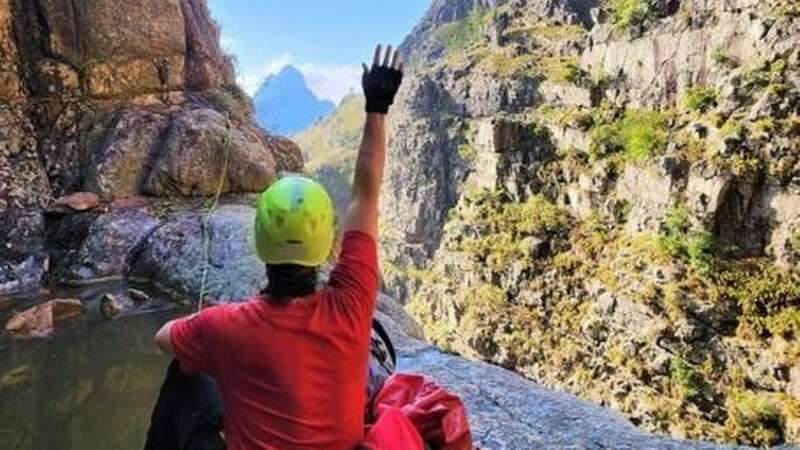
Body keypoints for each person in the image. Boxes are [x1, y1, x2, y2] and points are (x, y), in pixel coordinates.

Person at [150, 44, 404, 450]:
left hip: (219, 342)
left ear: (260, 242)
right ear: (325, 247)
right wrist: (377, 106)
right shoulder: (352, 303)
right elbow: (365, 196)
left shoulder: (226, 326)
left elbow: (164, 338)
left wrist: (208, 335)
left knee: (186, 371)